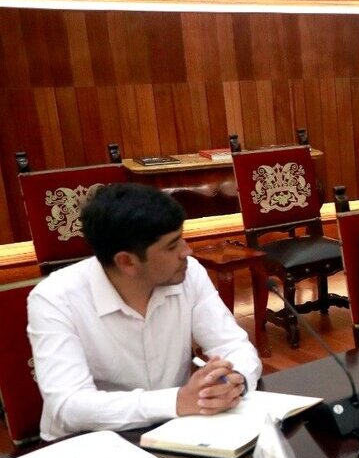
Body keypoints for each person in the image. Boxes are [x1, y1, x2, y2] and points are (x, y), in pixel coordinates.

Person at [27, 183, 261, 441]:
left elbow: (233, 345)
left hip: (176, 431)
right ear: (127, 262)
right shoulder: (54, 298)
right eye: (172, 246)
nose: (187, 251)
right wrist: (177, 401)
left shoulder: (189, 273)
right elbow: (69, 406)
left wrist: (234, 379)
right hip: (87, 445)